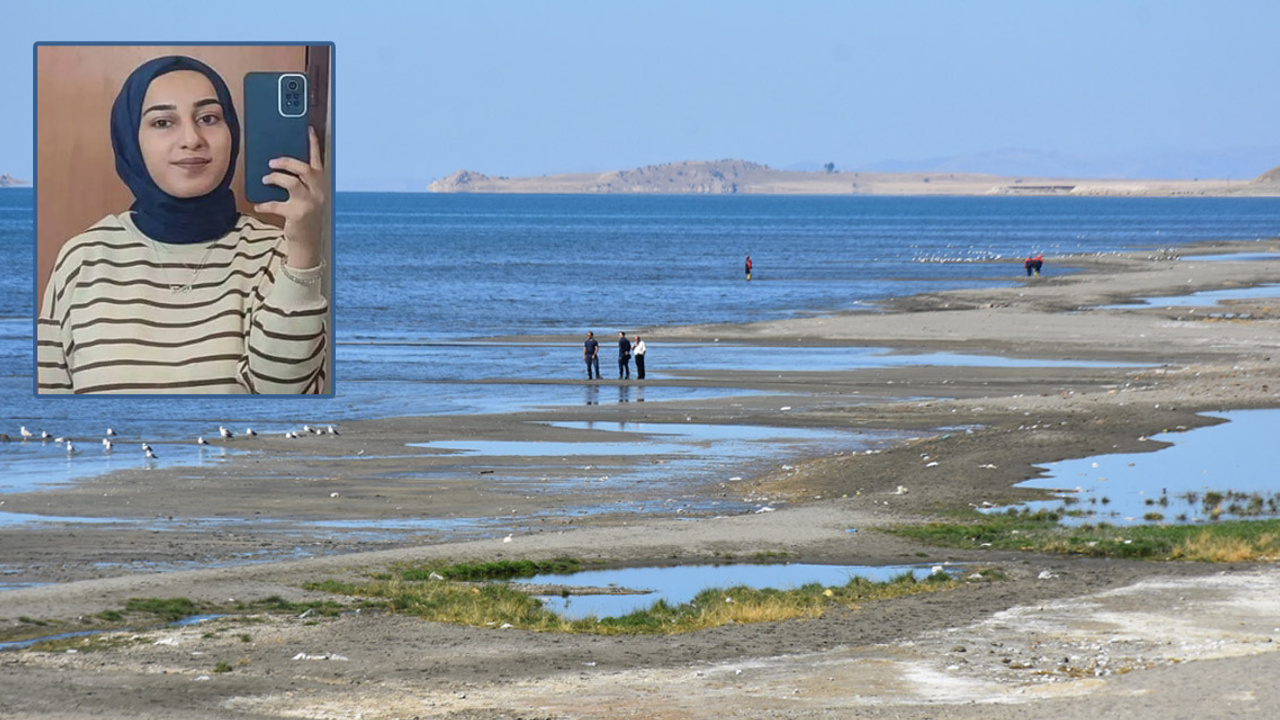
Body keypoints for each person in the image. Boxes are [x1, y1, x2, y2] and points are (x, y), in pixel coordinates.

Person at [37, 55, 328, 394]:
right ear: (131, 140)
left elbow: (284, 403)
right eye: (163, 122)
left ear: (231, 131)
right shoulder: (82, 258)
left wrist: (305, 249)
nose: (192, 138)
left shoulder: (277, 252)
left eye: (208, 118)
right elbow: (50, 408)